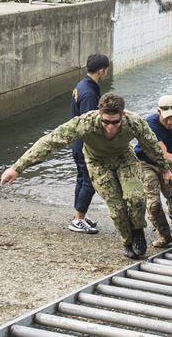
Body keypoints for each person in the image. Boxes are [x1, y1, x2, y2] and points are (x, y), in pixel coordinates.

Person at [0, 93, 172, 259]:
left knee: (136, 198)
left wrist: (164, 168)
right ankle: (127, 243)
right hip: (97, 162)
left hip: (124, 158)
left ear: (122, 115)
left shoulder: (134, 122)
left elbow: (151, 144)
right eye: (106, 122)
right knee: (117, 207)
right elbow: (50, 142)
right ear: (100, 114)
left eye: (115, 122)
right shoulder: (84, 123)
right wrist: (17, 167)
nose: (110, 127)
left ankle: (137, 232)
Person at [135, 95, 172, 247]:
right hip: (147, 163)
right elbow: (163, 155)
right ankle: (164, 235)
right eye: (166, 118)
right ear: (158, 112)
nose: (170, 122)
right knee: (153, 204)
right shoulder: (150, 124)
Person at [68, 53, 109, 235]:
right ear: (101, 71)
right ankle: (78, 219)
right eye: (106, 70)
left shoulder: (82, 85)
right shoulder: (89, 93)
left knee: (81, 178)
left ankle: (79, 216)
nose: (106, 73)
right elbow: (89, 124)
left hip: (76, 142)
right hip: (84, 144)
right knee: (89, 182)